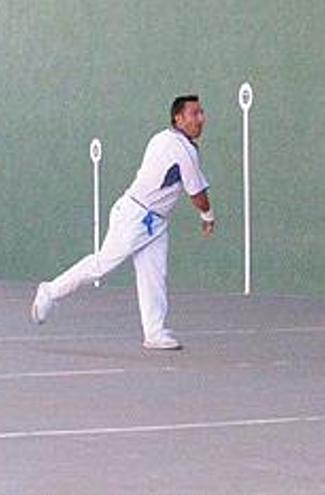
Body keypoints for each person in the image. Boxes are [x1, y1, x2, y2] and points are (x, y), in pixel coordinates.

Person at [30, 95, 216, 350]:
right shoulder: (182, 149)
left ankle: (154, 332)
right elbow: (197, 195)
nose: (201, 119)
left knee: (154, 275)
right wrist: (208, 216)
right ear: (178, 118)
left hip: (155, 222)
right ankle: (49, 291)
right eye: (195, 114)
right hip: (134, 216)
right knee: (101, 265)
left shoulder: (163, 138)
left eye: (201, 113)